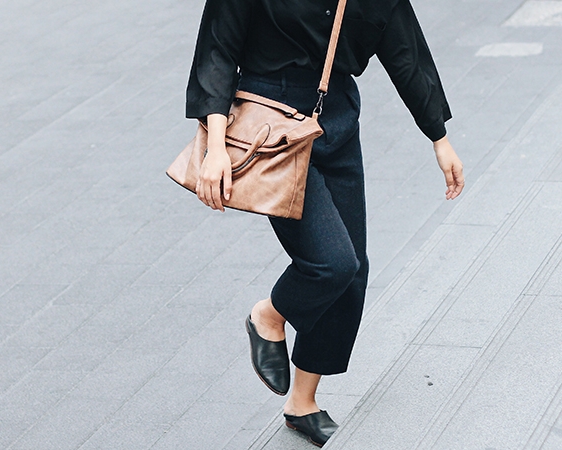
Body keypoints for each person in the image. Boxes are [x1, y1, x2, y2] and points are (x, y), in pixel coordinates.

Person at [186, 0, 464, 446]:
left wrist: (439, 138)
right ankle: (268, 315)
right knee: (332, 262)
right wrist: (216, 147)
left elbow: (406, 54)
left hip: (336, 121)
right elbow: (217, 48)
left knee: (352, 274)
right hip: (270, 125)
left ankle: (302, 403)